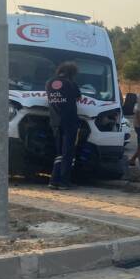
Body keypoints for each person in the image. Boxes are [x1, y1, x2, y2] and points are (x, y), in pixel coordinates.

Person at [47, 61, 80, 189]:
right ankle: (63, 182)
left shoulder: (49, 83)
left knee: (59, 153)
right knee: (68, 152)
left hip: (55, 122)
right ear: (72, 73)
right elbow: (78, 98)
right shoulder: (71, 84)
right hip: (70, 122)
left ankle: (53, 180)